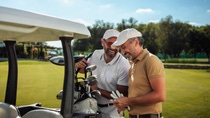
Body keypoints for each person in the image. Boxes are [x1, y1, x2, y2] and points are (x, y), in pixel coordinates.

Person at [75, 29, 130, 118]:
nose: (112, 47)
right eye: (109, 43)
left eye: (116, 45)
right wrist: (78, 65)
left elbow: (121, 96)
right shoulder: (96, 54)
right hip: (93, 107)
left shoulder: (124, 65)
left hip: (113, 112)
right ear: (102, 42)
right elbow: (83, 70)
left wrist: (97, 90)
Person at [112, 28, 166, 118]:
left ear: (136, 42)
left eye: (124, 47)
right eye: (121, 49)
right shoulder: (133, 63)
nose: (123, 52)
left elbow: (160, 95)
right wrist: (124, 104)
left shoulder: (150, 60)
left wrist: (129, 101)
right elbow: (136, 94)